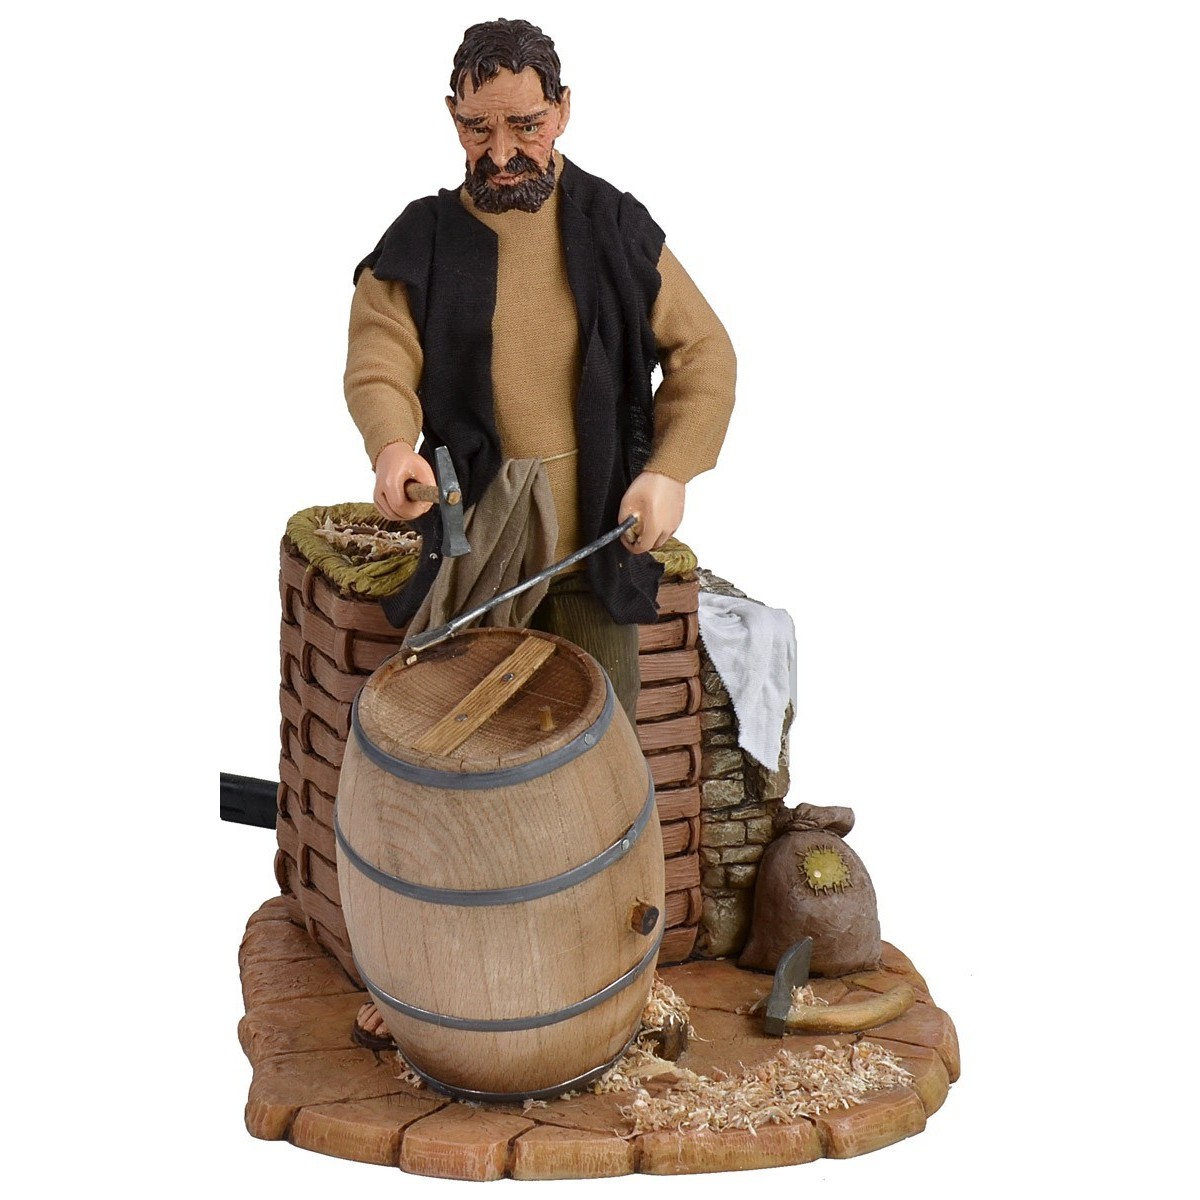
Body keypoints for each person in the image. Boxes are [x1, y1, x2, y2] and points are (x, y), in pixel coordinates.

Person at [344, 15, 736, 1053]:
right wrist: (394, 450)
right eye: (480, 129)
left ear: (562, 110)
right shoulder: (422, 240)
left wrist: (669, 471)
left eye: (525, 124)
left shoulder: (614, 226)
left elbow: (705, 353)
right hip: (480, 540)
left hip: (598, 541)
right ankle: (420, 970)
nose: (504, 151)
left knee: (603, 760)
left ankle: (614, 972)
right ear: (453, 121)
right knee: (443, 760)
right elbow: (379, 355)